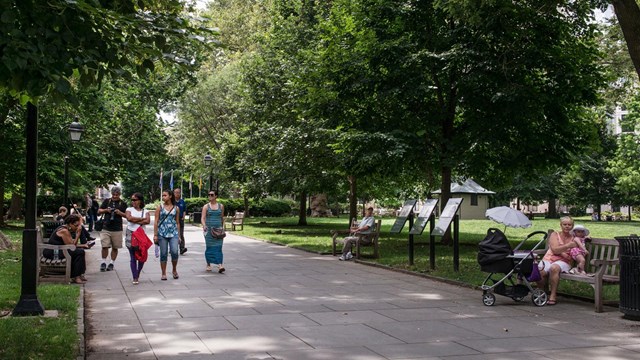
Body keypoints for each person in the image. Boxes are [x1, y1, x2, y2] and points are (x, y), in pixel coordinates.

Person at [538, 216, 578, 305]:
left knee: (554, 268)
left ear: (572, 226)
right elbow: (555, 249)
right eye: (565, 224)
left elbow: (572, 252)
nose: (567, 226)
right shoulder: (554, 235)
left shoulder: (574, 238)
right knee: (540, 271)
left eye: (569, 224)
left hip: (564, 262)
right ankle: (541, 293)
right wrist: (567, 247)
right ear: (561, 225)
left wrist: (561, 251)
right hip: (549, 258)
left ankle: (553, 295)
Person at [44, 214, 92, 284]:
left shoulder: (65, 229)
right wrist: (78, 234)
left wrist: (83, 245)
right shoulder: (64, 231)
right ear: (70, 224)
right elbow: (72, 247)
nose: (76, 228)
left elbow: (70, 245)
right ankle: (76, 276)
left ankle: (78, 275)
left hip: (59, 249)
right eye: (76, 225)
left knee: (80, 251)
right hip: (52, 252)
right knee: (79, 252)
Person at [97, 187, 128, 272]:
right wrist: (106, 210)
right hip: (106, 227)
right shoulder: (107, 201)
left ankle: (111, 263)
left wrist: (119, 212)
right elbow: (99, 211)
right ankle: (103, 262)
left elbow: (127, 215)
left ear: (119, 194)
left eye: (116, 195)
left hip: (117, 228)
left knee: (115, 247)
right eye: (113, 194)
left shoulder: (123, 203)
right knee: (104, 246)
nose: (114, 196)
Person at [154, 190, 181, 280]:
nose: (163, 197)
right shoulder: (160, 207)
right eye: (162, 195)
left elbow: (177, 222)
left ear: (170, 196)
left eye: (165, 195)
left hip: (173, 233)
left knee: (174, 252)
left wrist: (179, 235)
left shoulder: (176, 208)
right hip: (162, 233)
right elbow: (156, 221)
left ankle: (174, 270)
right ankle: (164, 273)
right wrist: (155, 235)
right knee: (164, 253)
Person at [125, 192, 151, 285]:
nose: (133, 202)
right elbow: (129, 218)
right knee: (132, 256)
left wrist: (134, 219)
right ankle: (135, 276)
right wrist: (141, 219)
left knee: (141, 256)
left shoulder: (146, 211)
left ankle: (138, 273)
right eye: (132, 200)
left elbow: (148, 221)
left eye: (135, 200)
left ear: (140, 200)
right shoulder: (129, 209)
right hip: (130, 234)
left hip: (141, 234)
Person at [201, 190, 225, 273]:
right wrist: (204, 225)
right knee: (209, 247)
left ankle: (220, 265)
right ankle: (208, 264)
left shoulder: (221, 206)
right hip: (209, 230)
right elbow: (203, 218)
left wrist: (222, 227)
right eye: (209, 195)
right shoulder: (206, 206)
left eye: (212, 195)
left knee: (219, 247)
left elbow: (221, 217)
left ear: (216, 196)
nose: (210, 196)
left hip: (218, 230)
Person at [174, 188, 188, 255]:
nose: (177, 194)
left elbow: (184, 210)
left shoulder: (182, 201)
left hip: (180, 219)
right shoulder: (172, 201)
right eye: (175, 192)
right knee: (173, 234)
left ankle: (182, 248)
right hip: (173, 220)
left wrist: (183, 217)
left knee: (181, 234)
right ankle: (173, 248)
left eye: (178, 192)